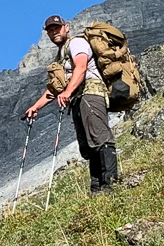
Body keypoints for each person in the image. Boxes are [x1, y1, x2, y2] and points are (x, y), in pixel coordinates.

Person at [24, 14, 119, 193]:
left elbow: (81, 67)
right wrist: (35, 107)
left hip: (91, 93)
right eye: (50, 30)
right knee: (89, 145)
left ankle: (111, 185)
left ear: (66, 28)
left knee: (100, 138)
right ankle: (97, 189)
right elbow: (55, 87)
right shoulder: (61, 55)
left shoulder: (77, 44)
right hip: (77, 99)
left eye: (57, 28)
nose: (54, 32)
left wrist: (67, 92)